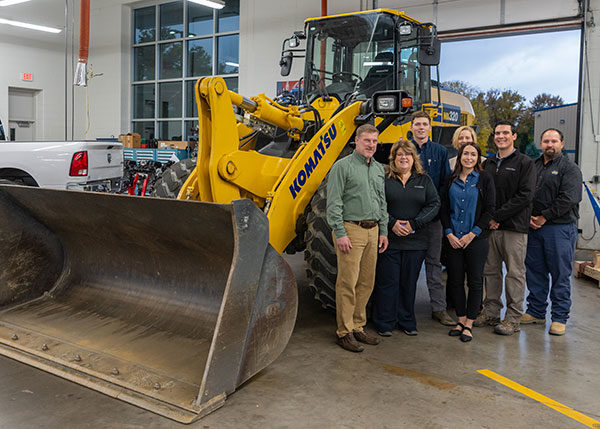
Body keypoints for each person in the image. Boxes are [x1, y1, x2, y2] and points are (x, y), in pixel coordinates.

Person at [326, 123, 389, 352]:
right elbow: (333, 203)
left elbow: (382, 202)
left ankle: (358, 326)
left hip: (373, 231)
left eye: (374, 141)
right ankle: (344, 331)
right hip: (351, 229)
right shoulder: (342, 167)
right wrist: (340, 233)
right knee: (347, 282)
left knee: (366, 282)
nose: (371, 145)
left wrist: (383, 230)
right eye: (367, 141)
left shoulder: (379, 169)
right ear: (357, 140)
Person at [372, 140, 440, 337]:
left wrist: (414, 223)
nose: (403, 158)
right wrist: (392, 222)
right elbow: (377, 203)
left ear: (414, 158)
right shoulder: (385, 179)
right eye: (399, 154)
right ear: (393, 158)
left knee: (408, 283)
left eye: (407, 155)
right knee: (387, 282)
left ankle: (407, 320)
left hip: (416, 242)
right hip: (389, 241)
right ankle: (384, 321)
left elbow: (434, 204)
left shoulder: (424, 180)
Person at [474, 121, 536, 336]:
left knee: (515, 273)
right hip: (490, 229)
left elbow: (525, 195)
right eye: (498, 133)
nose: (501, 136)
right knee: (490, 271)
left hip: (514, 228)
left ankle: (513, 318)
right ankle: (491, 311)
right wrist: (487, 220)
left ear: (514, 136)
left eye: (505, 133)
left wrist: (497, 216)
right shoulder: (488, 163)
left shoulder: (525, 163)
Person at [521, 128, 582, 336]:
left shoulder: (569, 168)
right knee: (535, 272)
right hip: (534, 228)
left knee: (560, 273)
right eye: (546, 141)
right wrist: (528, 216)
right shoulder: (534, 165)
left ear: (562, 144)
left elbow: (569, 198)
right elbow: (525, 194)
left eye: (554, 141)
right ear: (541, 144)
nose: (550, 145)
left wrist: (544, 216)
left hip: (560, 229)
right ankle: (536, 312)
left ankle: (559, 317)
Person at [441, 142, 495, 342]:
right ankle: (460, 319)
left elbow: (490, 209)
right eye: (465, 154)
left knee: (474, 281)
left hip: (476, 240)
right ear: (460, 156)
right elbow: (444, 210)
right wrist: (449, 233)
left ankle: (470, 323)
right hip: (453, 239)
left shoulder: (485, 179)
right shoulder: (450, 180)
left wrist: (473, 234)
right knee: (455, 281)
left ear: (478, 158)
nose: (469, 158)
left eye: (473, 154)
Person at [410, 111, 454, 326]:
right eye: (417, 124)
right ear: (411, 127)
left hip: (433, 219)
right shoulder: (404, 150)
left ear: (430, 127)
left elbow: (445, 183)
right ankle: (404, 308)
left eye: (424, 124)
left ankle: (439, 308)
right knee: (407, 265)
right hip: (408, 220)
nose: (421, 127)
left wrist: (438, 212)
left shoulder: (439, 151)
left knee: (434, 264)